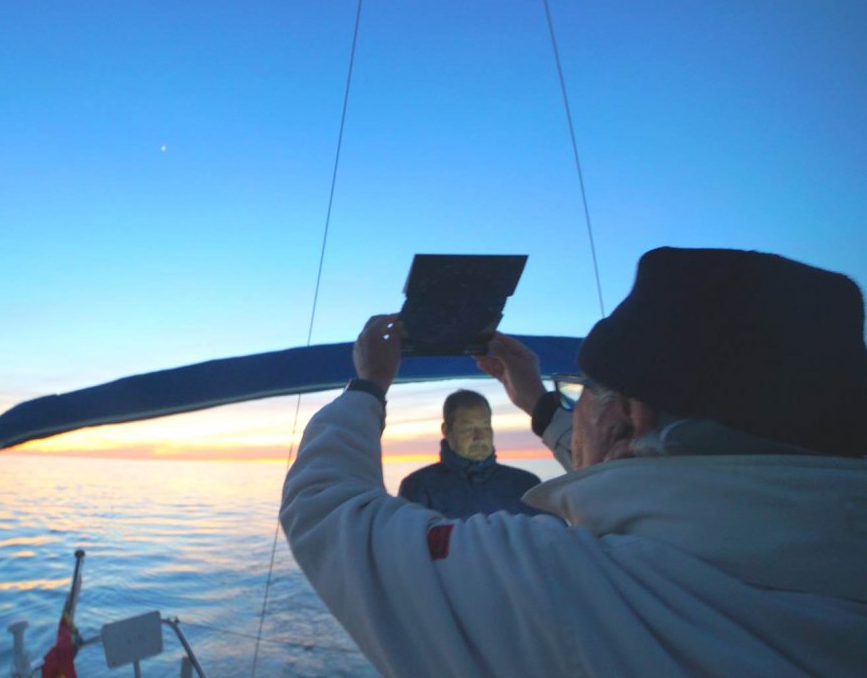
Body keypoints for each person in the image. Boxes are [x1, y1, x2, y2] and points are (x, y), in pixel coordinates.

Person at [280, 247, 867, 677]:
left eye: (582, 392)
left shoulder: (560, 585)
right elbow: (666, 485)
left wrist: (367, 387)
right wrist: (541, 405)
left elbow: (325, 512)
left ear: (629, 416)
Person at [397, 389, 542, 517]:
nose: (479, 437)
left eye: (485, 427)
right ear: (446, 430)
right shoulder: (417, 487)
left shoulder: (527, 485)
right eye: (468, 429)